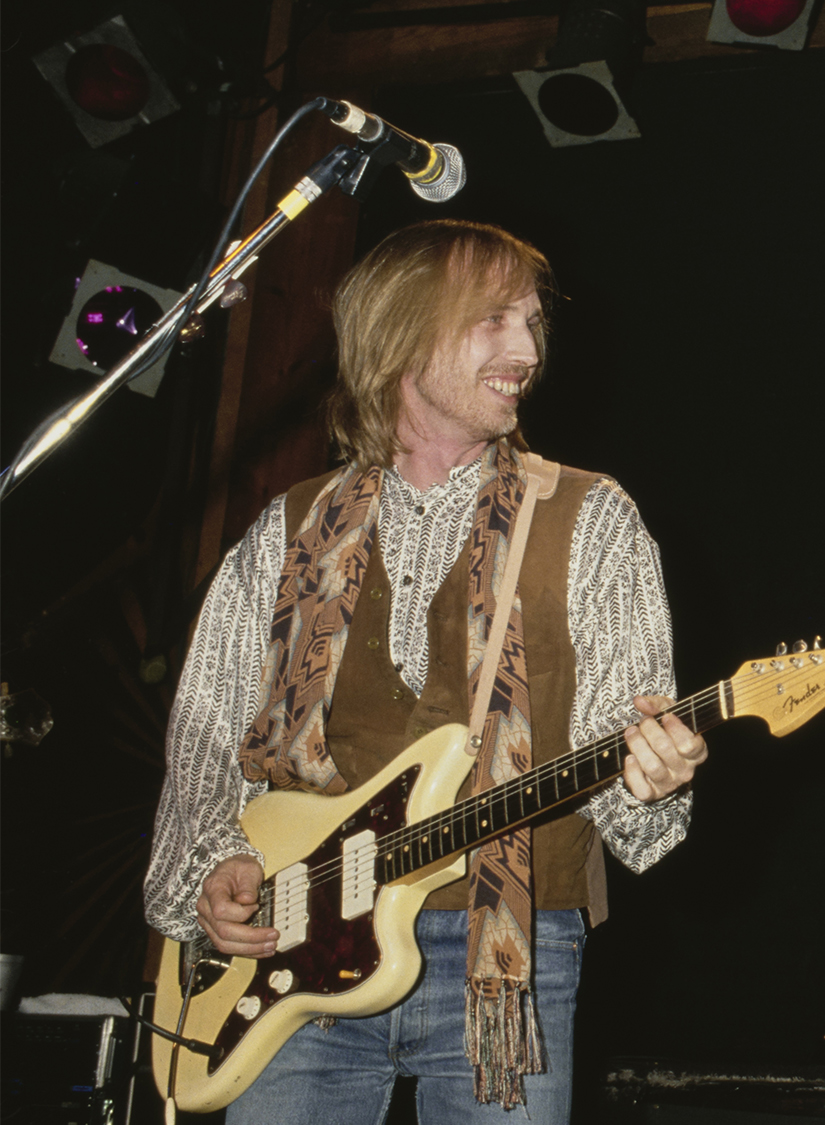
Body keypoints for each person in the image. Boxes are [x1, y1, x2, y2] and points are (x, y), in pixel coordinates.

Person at [143, 219, 708, 1121]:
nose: (525, 349)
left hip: (504, 950)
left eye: (532, 323)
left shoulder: (592, 518)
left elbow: (624, 767)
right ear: (402, 332)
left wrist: (652, 778)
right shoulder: (286, 529)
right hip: (292, 947)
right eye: (493, 320)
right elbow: (209, 738)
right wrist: (216, 867)